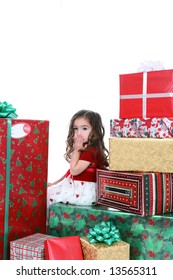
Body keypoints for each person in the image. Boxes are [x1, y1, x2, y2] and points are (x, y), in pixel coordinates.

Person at [47, 109, 109, 209]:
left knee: (48, 195)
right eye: (76, 129)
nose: (79, 133)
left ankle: (45, 223)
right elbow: (69, 173)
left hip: (84, 194)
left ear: (95, 131)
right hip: (81, 190)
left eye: (84, 129)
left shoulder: (91, 151)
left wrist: (76, 151)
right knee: (50, 190)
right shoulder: (86, 148)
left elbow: (74, 170)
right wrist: (54, 183)